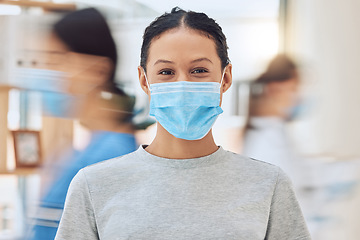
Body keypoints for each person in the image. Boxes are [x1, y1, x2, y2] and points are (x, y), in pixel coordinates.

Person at [55, 7, 311, 239]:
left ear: (225, 77)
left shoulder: (269, 184)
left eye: (199, 71)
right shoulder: (92, 185)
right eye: (166, 72)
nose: (183, 85)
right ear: (144, 81)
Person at [28, 8, 141, 240]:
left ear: (98, 70)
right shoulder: (86, 150)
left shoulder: (112, 156)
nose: (48, 73)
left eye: (57, 60)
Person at [241, 54, 304, 186]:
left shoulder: (277, 131)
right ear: (275, 89)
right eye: (294, 88)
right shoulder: (265, 141)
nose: (299, 96)